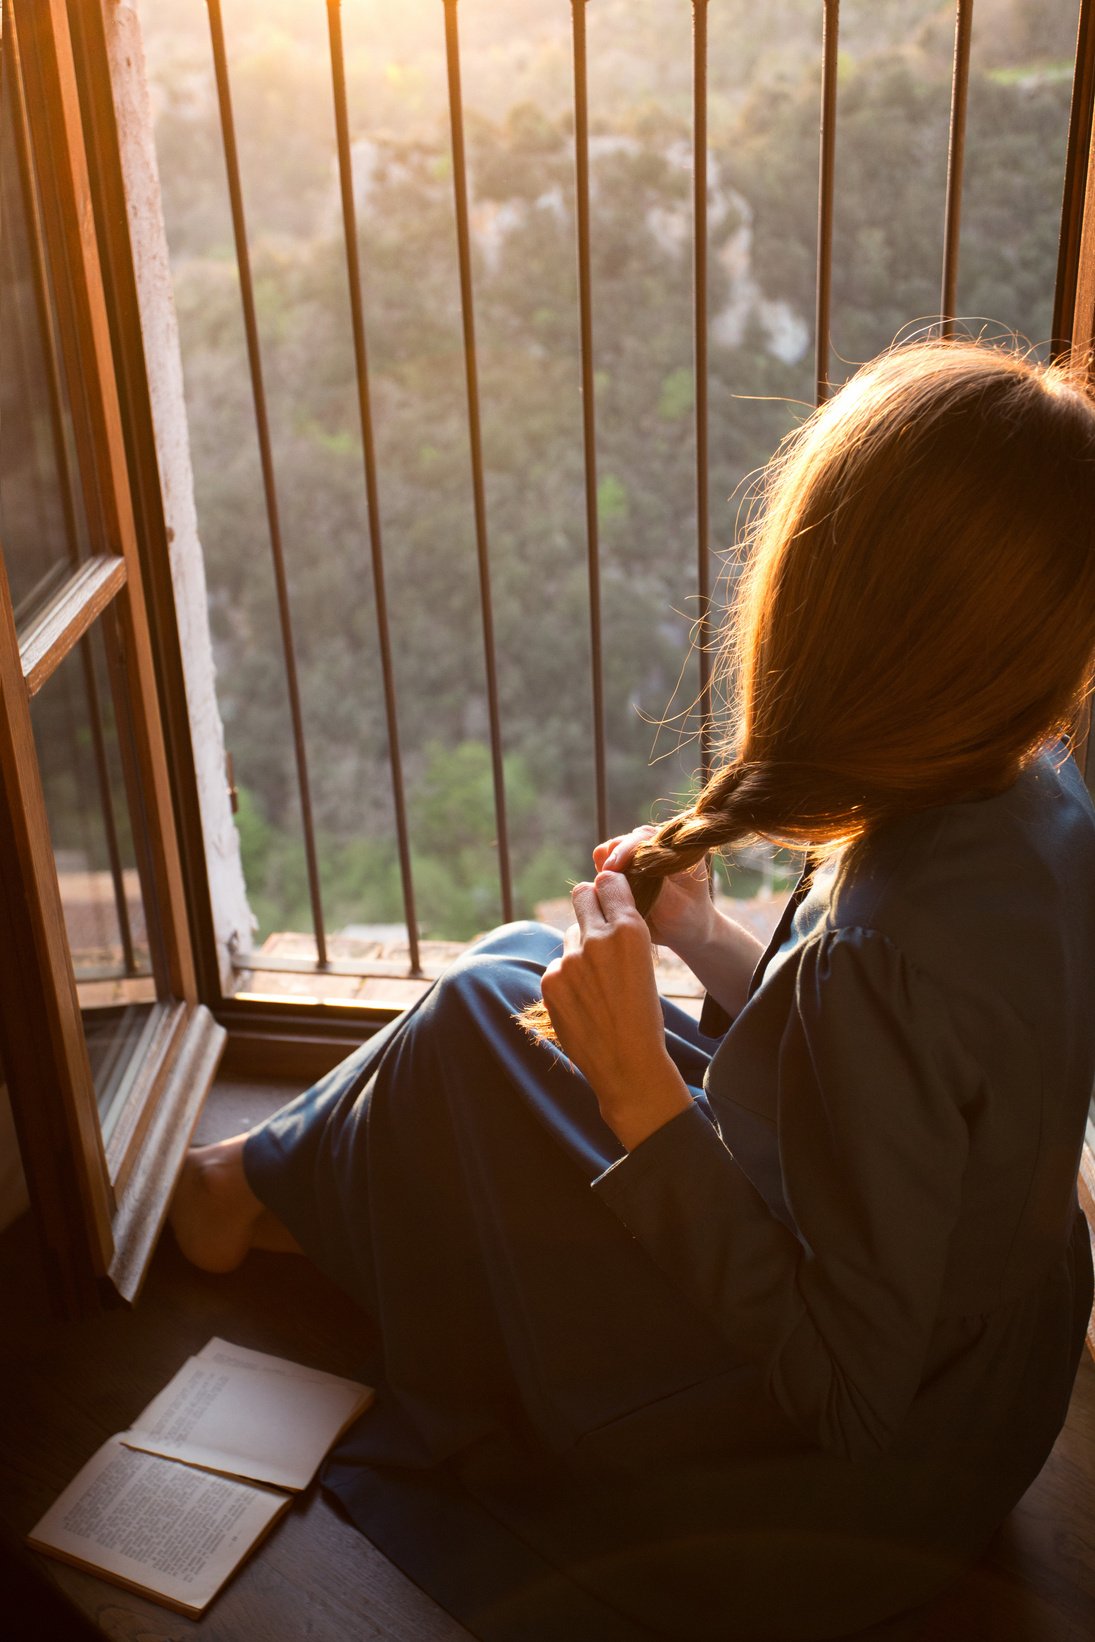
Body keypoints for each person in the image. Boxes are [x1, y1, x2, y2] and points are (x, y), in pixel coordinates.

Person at [171, 338, 1095, 1641]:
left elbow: (845, 1389)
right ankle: (269, 1179)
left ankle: (245, 1185)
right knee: (503, 975)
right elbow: (931, 1104)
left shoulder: (888, 944)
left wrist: (645, 1091)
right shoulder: (1045, 803)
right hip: (993, 1384)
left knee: (474, 1013)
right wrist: (709, 941)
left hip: (864, 1485)